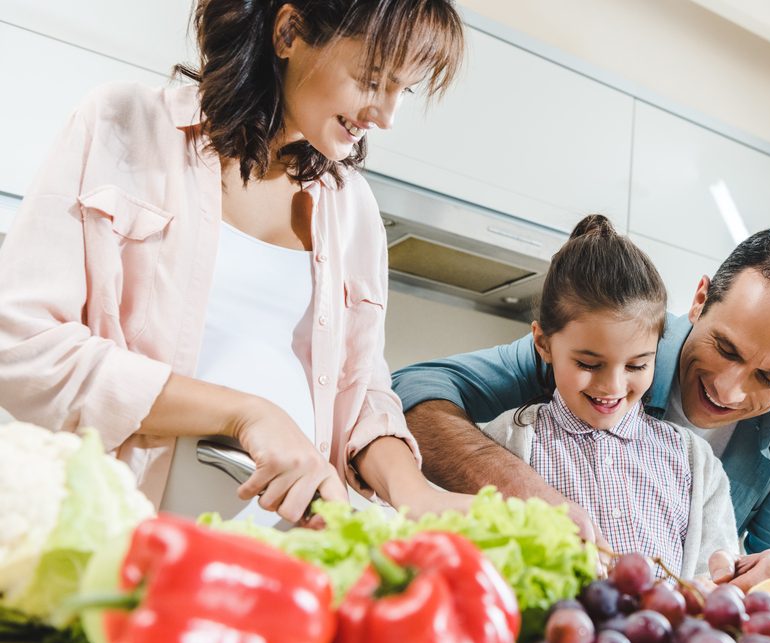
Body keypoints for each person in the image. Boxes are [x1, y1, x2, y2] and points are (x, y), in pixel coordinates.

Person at [0, 0, 471, 525]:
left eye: (402, 90)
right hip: (123, 546)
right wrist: (243, 413)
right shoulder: (122, 124)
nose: (385, 116)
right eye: (371, 78)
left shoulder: (352, 205)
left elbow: (362, 390)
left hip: (285, 562)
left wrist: (415, 491)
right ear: (289, 32)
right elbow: (21, 347)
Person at [393, 224, 770, 589]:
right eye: (727, 348)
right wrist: (528, 493)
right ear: (700, 300)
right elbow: (414, 389)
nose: (728, 390)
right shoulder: (607, 344)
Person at [482, 215, 739, 579]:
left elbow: (715, 582)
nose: (612, 387)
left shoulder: (694, 462)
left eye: (636, 366)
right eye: (589, 363)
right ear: (543, 343)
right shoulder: (507, 440)